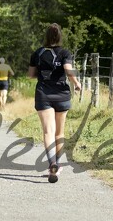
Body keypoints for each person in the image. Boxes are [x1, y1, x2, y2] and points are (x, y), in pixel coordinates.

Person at [28, 23, 81, 183]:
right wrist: (76, 83)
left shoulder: (38, 53)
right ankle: (57, 163)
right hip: (62, 95)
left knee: (47, 132)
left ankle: (51, 163)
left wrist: (42, 74)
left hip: (44, 94)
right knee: (60, 133)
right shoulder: (65, 52)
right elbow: (67, 69)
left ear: (46, 36)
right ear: (59, 37)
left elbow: (30, 75)